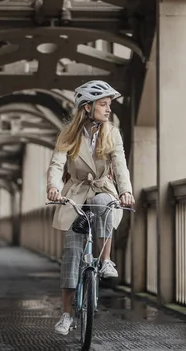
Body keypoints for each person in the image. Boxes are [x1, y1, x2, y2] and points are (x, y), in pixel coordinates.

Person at [45, 80, 135, 335]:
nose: (108, 110)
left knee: (104, 203)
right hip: (75, 192)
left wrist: (126, 191)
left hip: (103, 187)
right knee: (72, 255)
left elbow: (120, 165)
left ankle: (105, 260)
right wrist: (53, 188)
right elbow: (56, 164)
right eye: (103, 104)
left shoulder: (112, 133)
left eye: (109, 105)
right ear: (87, 107)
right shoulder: (68, 134)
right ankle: (66, 314)